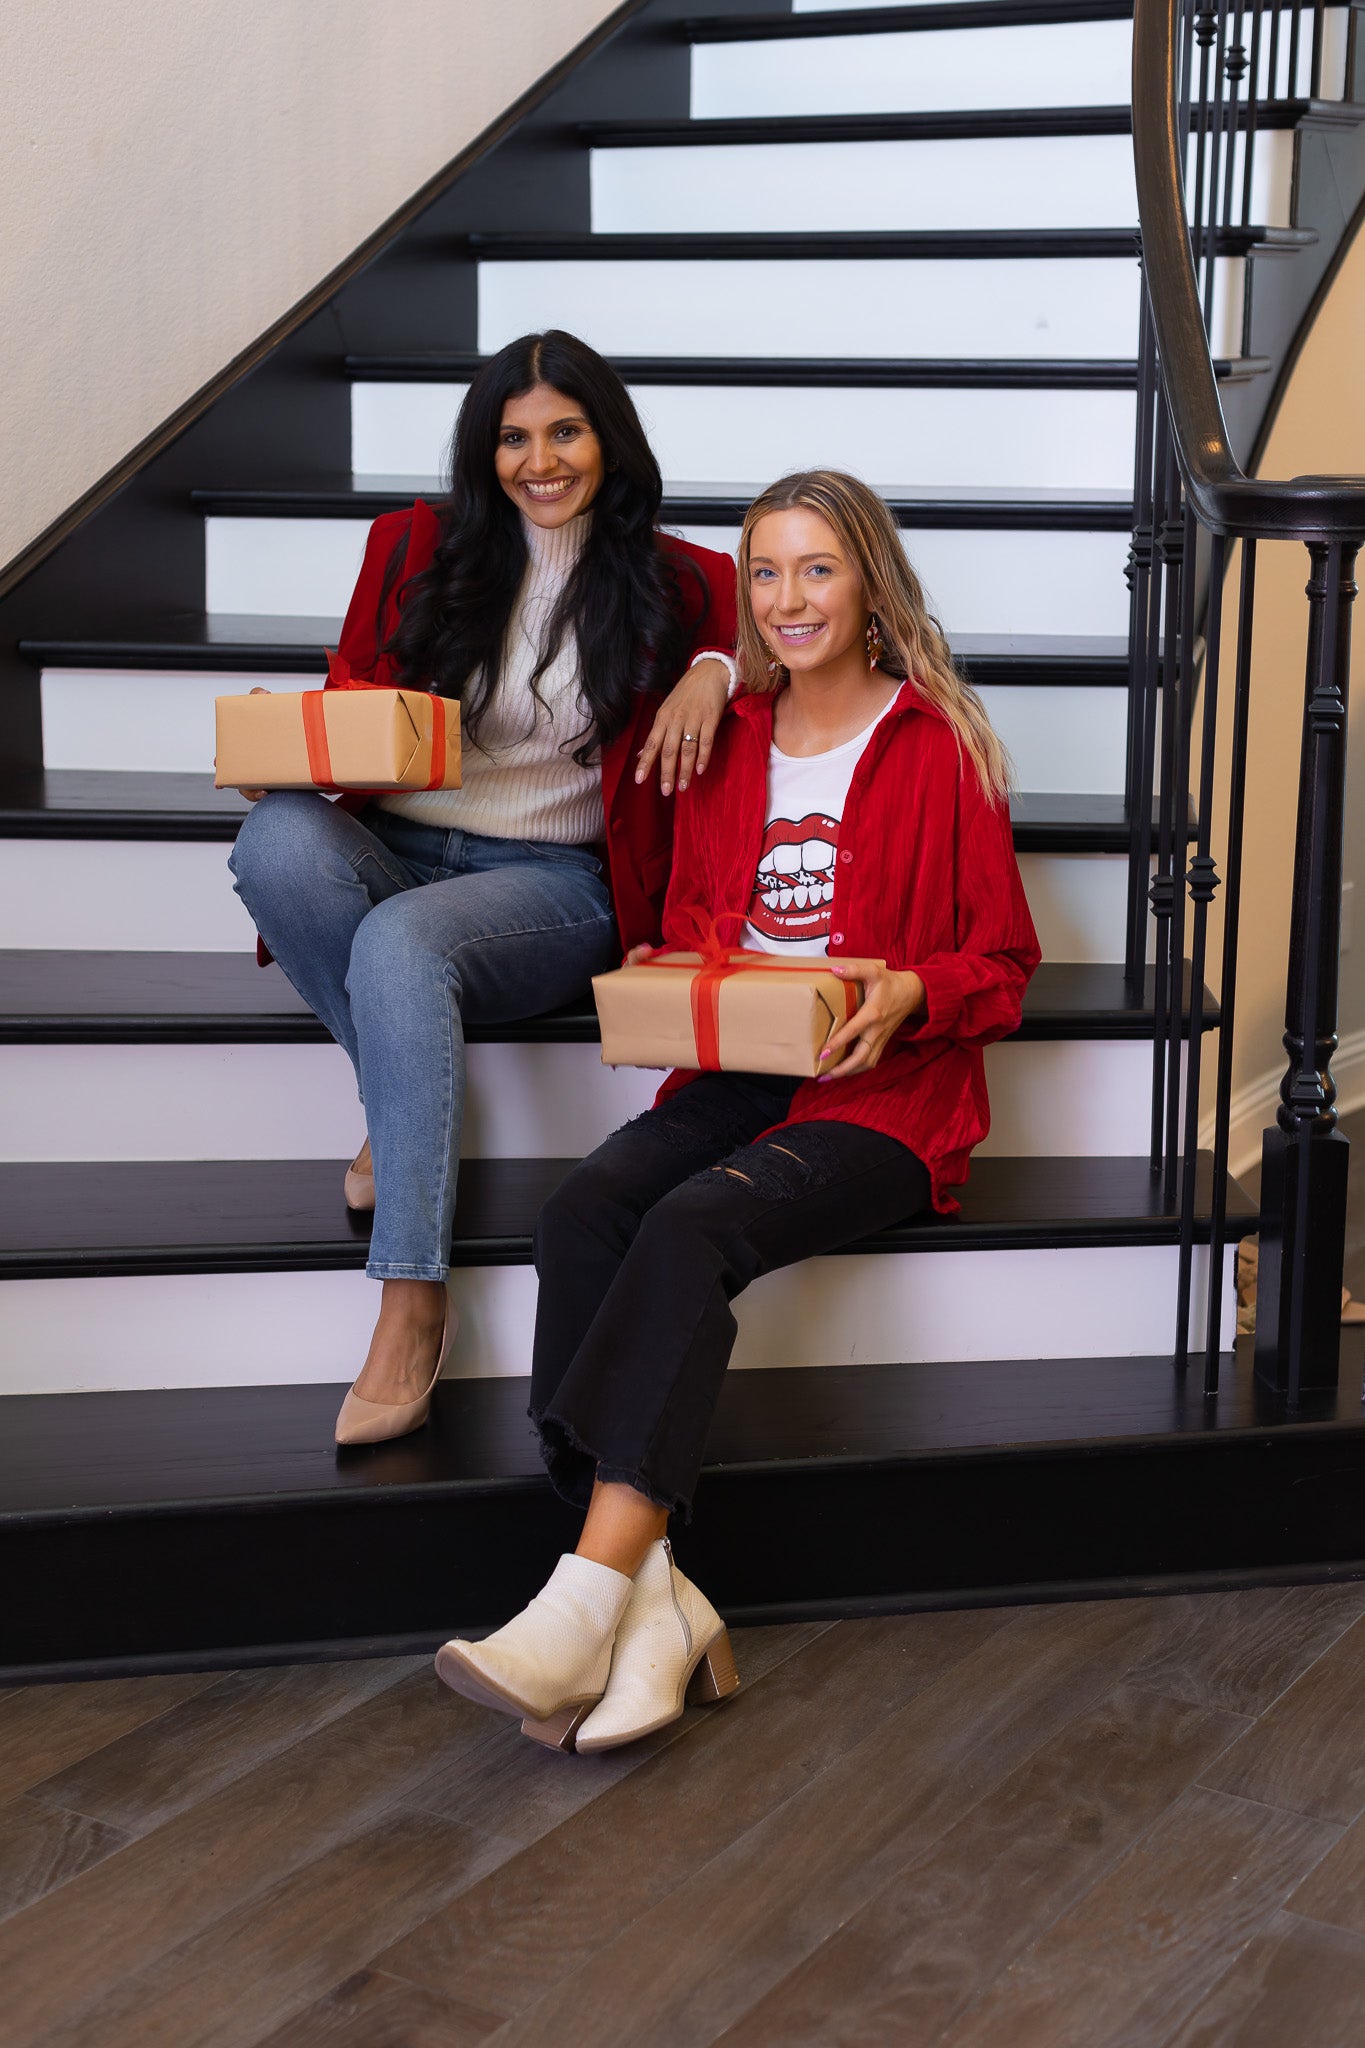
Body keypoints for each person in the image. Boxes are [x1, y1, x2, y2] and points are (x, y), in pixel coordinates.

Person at [435, 468, 1042, 1754]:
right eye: (765, 572)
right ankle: (654, 1604)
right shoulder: (729, 743)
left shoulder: (937, 745)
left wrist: (910, 985)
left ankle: (582, 1595)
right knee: (585, 1209)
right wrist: (676, 971)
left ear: (870, 580)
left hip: (884, 1099)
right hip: (737, 1067)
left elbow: (1003, 963)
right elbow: (703, 918)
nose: (788, 597)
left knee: (691, 1226)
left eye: (817, 568)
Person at [228, 331, 738, 1445]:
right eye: (514, 436)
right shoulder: (414, 546)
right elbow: (357, 697)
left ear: (607, 441)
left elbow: (774, 629)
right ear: (484, 447)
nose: (539, 460)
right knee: (273, 840)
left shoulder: (678, 578)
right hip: (403, 842)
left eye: (565, 431)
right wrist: (305, 746)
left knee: (403, 944)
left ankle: (411, 1297)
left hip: (554, 880)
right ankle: (389, 1101)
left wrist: (715, 670)